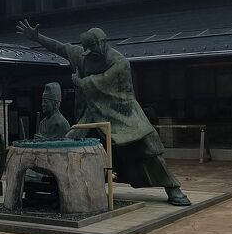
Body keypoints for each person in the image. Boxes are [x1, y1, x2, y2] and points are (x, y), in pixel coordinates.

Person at [16, 19, 191, 206]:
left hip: (123, 115)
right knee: (73, 144)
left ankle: (173, 188)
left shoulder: (119, 62)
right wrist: (37, 37)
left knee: (147, 148)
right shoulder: (82, 55)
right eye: (86, 49)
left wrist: (78, 81)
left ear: (102, 43)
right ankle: (69, 188)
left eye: (92, 48)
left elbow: (100, 82)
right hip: (92, 115)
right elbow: (60, 47)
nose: (88, 53)